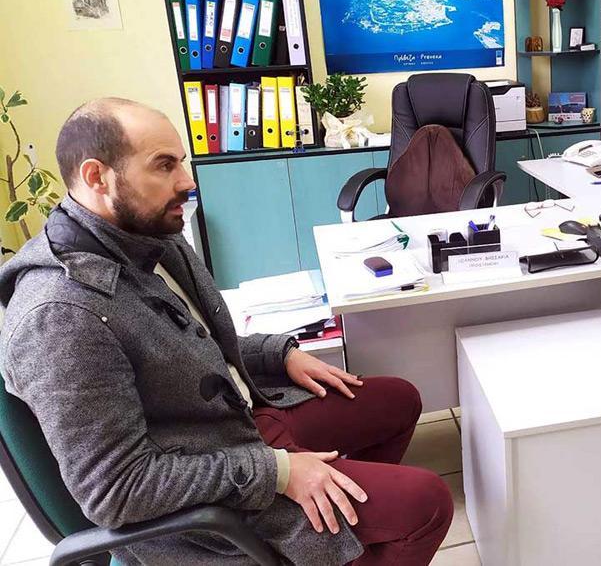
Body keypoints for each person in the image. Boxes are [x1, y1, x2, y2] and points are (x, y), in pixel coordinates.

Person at [0, 98, 454, 565]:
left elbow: (187, 346)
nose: (187, 182)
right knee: (426, 503)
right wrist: (278, 472)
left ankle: (341, 529)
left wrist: (279, 353)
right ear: (97, 177)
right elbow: (118, 491)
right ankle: (332, 534)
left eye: (181, 162)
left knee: (399, 401)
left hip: (238, 421)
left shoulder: (148, 238)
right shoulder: (60, 317)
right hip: (210, 489)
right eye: (164, 165)